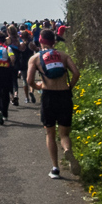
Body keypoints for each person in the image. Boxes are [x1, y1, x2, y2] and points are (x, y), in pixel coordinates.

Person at [26, 28, 82, 179]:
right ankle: (67, 149)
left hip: (48, 96)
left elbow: (29, 80)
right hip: (64, 95)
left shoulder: (36, 58)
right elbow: (76, 73)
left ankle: (55, 168)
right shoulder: (63, 55)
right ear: (54, 41)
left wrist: (38, 86)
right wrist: (70, 86)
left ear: (41, 41)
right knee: (64, 134)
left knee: (50, 133)